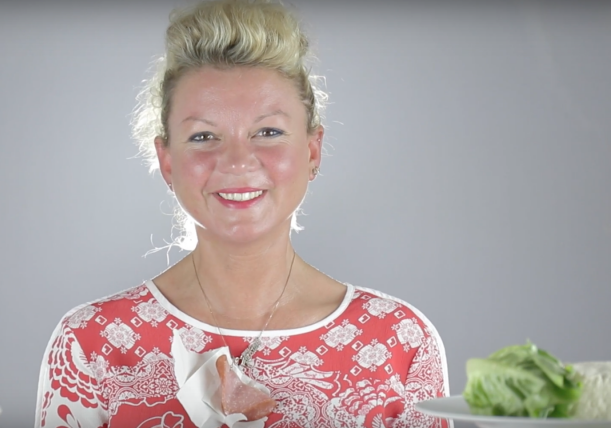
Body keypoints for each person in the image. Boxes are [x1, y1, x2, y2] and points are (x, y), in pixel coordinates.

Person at [34, 1, 450, 427]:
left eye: (267, 132)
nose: (236, 162)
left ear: (312, 151)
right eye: (203, 135)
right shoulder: (90, 343)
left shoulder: (400, 340)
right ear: (168, 162)